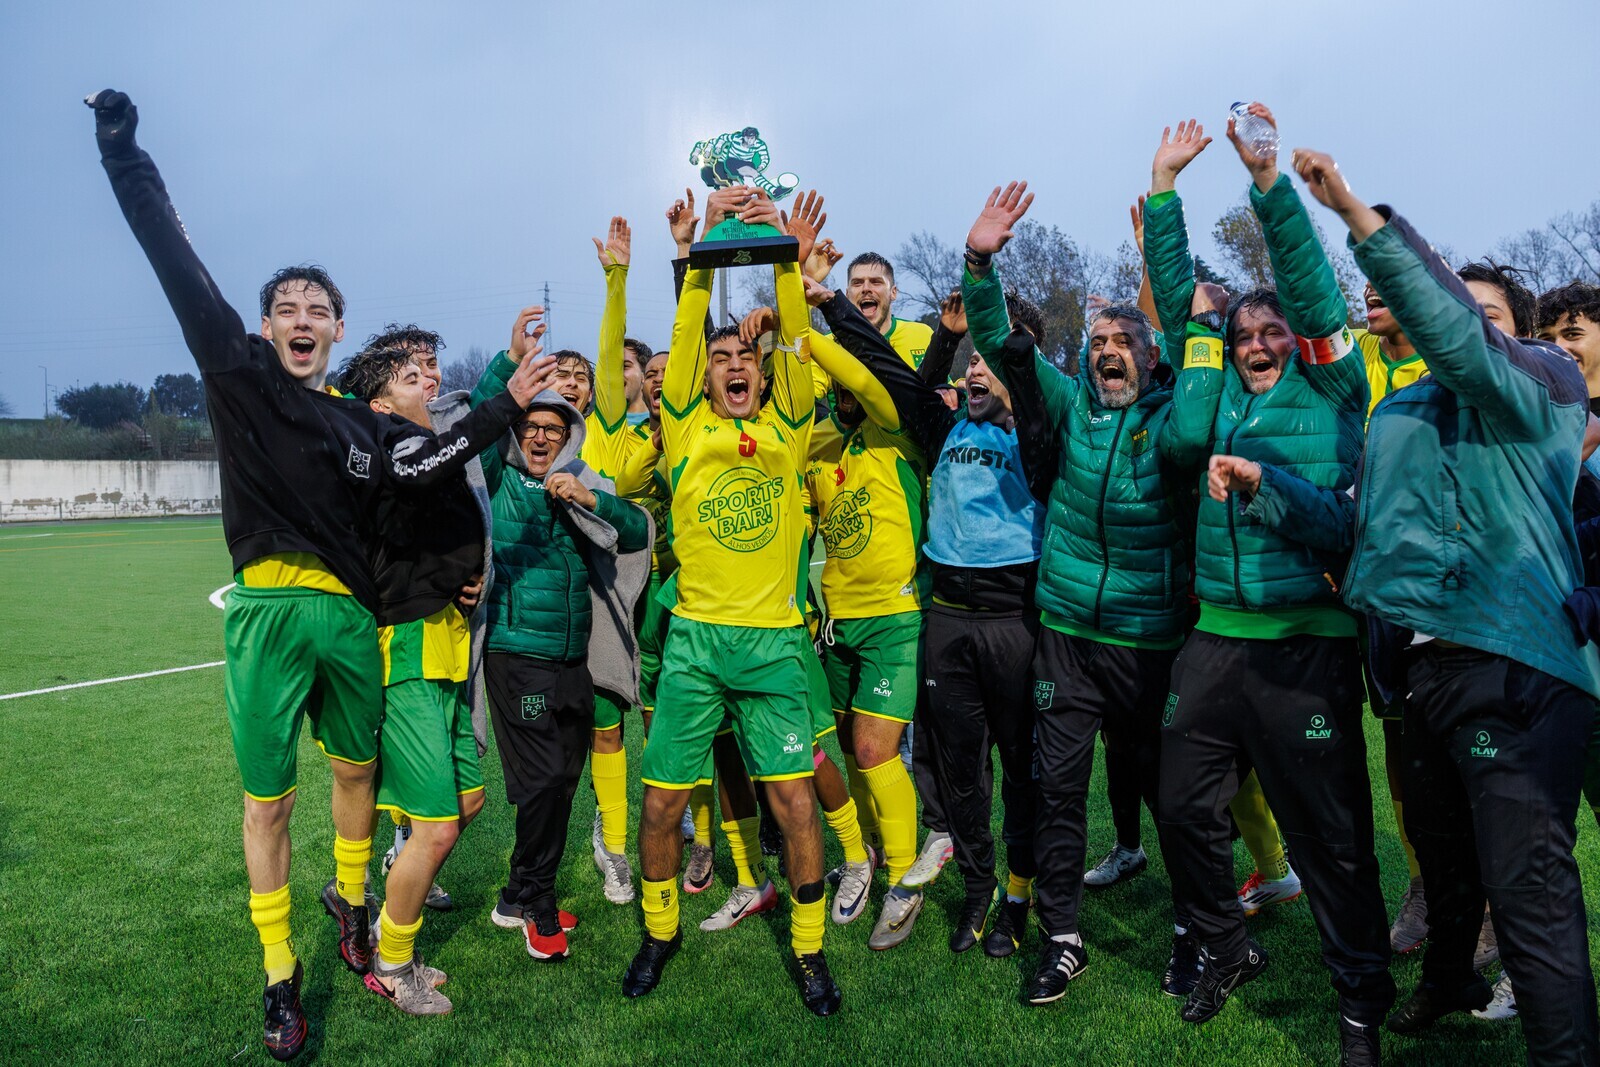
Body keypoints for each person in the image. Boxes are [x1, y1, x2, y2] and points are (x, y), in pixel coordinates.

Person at [86, 89, 549, 1061]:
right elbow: (173, 257)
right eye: (288, 309)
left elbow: (419, 477)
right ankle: (279, 972)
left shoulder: (364, 426)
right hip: (266, 609)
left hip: (351, 621)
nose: (303, 320)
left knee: (355, 772)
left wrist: (463, 554)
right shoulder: (240, 375)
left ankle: (350, 899)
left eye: (319, 310)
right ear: (264, 327)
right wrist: (123, 150)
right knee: (268, 803)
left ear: (337, 330)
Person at [1298, 144, 1600, 1064]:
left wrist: (1359, 217)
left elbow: (1462, 337)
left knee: (1530, 891)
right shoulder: (1400, 414)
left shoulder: (1544, 380)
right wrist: (1268, 494)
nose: (1458, 324)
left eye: (1483, 313)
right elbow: (1358, 526)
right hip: (1418, 673)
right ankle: (1451, 979)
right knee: (1443, 858)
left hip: (1515, 665)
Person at [1143, 106, 1392, 1059]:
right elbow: (1182, 302)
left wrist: (1266, 183)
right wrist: (1164, 188)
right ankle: (1224, 943)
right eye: (1244, 332)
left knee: (1331, 838)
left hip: (1304, 646)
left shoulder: (1333, 386)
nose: (1256, 342)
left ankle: (1360, 999)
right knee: (1180, 807)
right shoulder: (1213, 398)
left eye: (1272, 330)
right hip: (1214, 642)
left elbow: (1315, 296)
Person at [961, 175, 1223, 1004]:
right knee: (1058, 790)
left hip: (1150, 641)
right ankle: (1063, 937)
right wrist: (980, 262)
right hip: (1068, 638)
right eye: (1100, 339)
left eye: (1125, 340)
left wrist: (1165, 245)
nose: (1110, 349)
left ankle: (1191, 932)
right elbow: (1000, 338)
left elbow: (1187, 344)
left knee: (1172, 800)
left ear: (1151, 358)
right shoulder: (1072, 405)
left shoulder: (1173, 420)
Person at [622, 186, 842, 1016]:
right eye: (720, 359)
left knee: (795, 801)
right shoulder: (683, 425)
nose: (733, 364)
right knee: (662, 803)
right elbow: (686, 335)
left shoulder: (788, 424)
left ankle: (811, 950)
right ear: (704, 376)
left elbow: (796, 339)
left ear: (761, 369)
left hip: (774, 644)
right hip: (695, 645)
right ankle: (660, 931)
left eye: (743, 356)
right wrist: (699, 254)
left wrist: (786, 255)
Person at [835, 235, 1047, 962]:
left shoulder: (1040, 433)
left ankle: (1019, 894)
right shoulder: (948, 424)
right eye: (972, 359)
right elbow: (900, 382)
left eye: (993, 358)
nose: (976, 369)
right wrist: (834, 304)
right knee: (960, 770)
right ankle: (980, 889)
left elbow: (1034, 394)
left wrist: (1001, 339)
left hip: (1015, 618)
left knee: (1021, 768)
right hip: (948, 620)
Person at [472, 307, 651, 961]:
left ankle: (515, 894)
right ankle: (540, 909)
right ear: (517, 430)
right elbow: (478, 429)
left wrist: (590, 499)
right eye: (532, 427)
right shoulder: (498, 480)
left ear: (570, 433)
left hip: (575, 659)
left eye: (554, 428)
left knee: (566, 779)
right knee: (543, 780)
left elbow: (638, 529)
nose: (542, 437)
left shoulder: (582, 479)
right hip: (517, 655)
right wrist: (507, 362)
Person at [336, 347, 510, 1014]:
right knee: (437, 827)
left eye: (431, 371)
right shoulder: (387, 451)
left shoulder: (426, 455)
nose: (432, 380)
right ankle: (392, 963)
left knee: (467, 802)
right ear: (381, 404)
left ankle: (390, 915)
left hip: (447, 648)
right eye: (413, 377)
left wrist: (469, 576)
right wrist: (509, 390)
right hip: (407, 653)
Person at [582, 216, 658, 906]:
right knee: (604, 722)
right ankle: (613, 843)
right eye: (623, 367)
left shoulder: (672, 426)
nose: (624, 372)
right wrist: (616, 280)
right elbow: (607, 352)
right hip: (597, 594)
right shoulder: (596, 428)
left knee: (660, 715)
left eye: (639, 366)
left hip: (655, 591)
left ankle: (685, 823)